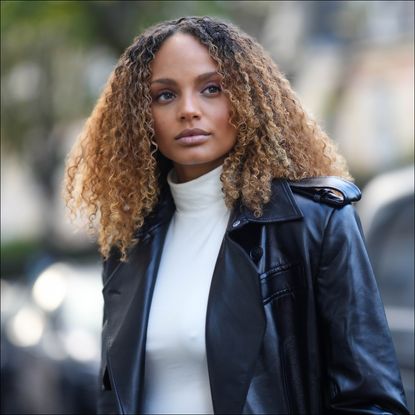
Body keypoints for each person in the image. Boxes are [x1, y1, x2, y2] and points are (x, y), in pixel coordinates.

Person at [64, 16, 409, 415]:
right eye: (164, 95)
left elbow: (372, 400)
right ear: (140, 118)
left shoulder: (315, 221)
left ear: (246, 100)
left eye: (212, 89)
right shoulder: (129, 246)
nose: (188, 110)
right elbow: (114, 399)